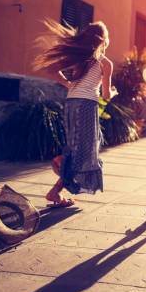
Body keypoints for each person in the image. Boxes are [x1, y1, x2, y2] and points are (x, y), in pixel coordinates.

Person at [33, 20, 116, 207]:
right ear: (104, 40)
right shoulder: (105, 63)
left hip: (71, 103)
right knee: (84, 151)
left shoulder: (80, 58)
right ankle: (56, 188)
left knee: (77, 147)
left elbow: (51, 69)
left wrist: (69, 84)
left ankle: (62, 168)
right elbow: (106, 95)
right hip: (86, 105)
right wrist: (112, 93)